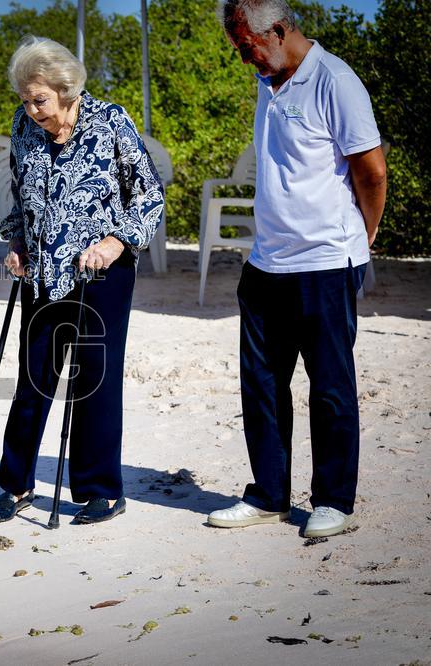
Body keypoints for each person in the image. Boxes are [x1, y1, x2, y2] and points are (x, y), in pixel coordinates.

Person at [208, 0, 386, 538]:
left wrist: (363, 236)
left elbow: (372, 172)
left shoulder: (336, 81)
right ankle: (269, 496)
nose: (245, 60)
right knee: (262, 385)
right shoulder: (269, 80)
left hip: (326, 260)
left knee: (330, 386)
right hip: (267, 261)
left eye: (248, 48)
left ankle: (333, 501)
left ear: (280, 30)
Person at [0, 37, 164, 525]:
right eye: (25, 100)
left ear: (66, 89)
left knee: (94, 383)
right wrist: (17, 240)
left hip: (101, 273)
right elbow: (21, 193)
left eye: (39, 99)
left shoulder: (110, 121)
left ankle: (100, 491)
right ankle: (16, 485)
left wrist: (116, 241)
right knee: (33, 379)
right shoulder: (23, 126)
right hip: (42, 274)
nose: (32, 109)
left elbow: (149, 195)